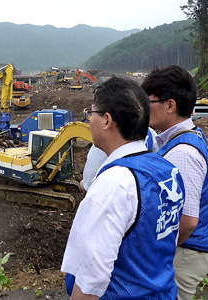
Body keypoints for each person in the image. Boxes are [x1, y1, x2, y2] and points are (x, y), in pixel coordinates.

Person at [61, 77, 185, 299]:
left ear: (107, 120)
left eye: (91, 114)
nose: (89, 121)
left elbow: (92, 280)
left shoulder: (114, 185)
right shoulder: (168, 170)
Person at [141, 65, 208, 300]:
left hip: (185, 253)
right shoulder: (188, 137)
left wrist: (159, 253)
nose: (143, 109)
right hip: (190, 249)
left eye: (148, 102)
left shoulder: (182, 152)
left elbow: (187, 221)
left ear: (170, 105)